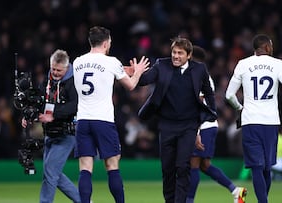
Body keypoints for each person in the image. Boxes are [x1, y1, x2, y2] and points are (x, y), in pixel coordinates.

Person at [72, 26, 149, 203]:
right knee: (112, 166)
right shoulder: (111, 62)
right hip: (103, 121)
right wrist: (136, 72)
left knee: (85, 168)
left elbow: (100, 70)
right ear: (106, 43)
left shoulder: (77, 62)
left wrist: (123, 69)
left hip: (83, 120)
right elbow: (130, 86)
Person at [225, 34, 282, 203]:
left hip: (250, 121)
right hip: (271, 122)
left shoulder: (243, 64)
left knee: (256, 167)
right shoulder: (277, 64)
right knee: (266, 168)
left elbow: (229, 95)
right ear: (267, 47)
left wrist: (240, 108)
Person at [137, 37, 217, 203]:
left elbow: (209, 92)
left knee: (182, 166)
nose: (175, 56)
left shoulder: (199, 69)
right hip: (166, 126)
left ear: (189, 55)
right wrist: (136, 71)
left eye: (180, 53)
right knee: (167, 169)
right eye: (174, 52)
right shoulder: (162, 65)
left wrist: (210, 112)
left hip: (188, 126)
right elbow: (144, 80)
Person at [186, 46, 247, 203]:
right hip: (209, 125)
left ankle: (189, 200)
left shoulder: (198, 76)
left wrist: (196, 130)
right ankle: (236, 191)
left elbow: (198, 105)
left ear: (191, 57)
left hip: (203, 126)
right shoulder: (201, 75)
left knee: (193, 163)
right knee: (204, 165)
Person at [21, 49, 81, 203]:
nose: (54, 72)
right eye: (53, 68)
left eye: (58, 70)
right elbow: (39, 101)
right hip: (50, 132)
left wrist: (53, 114)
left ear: (67, 68)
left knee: (50, 171)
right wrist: (29, 116)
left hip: (67, 133)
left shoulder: (73, 81)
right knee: (53, 173)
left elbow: (75, 105)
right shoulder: (47, 80)